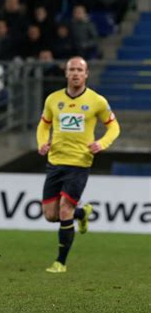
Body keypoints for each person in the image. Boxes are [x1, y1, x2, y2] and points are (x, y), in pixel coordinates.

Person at [36, 56, 120, 273]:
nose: (75, 73)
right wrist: (42, 143)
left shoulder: (97, 101)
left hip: (79, 163)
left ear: (86, 74)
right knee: (50, 215)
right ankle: (82, 213)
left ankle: (60, 262)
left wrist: (102, 143)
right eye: (71, 69)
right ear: (66, 73)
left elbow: (114, 127)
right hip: (55, 162)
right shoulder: (53, 100)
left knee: (65, 209)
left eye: (79, 70)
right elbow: (43, 125)